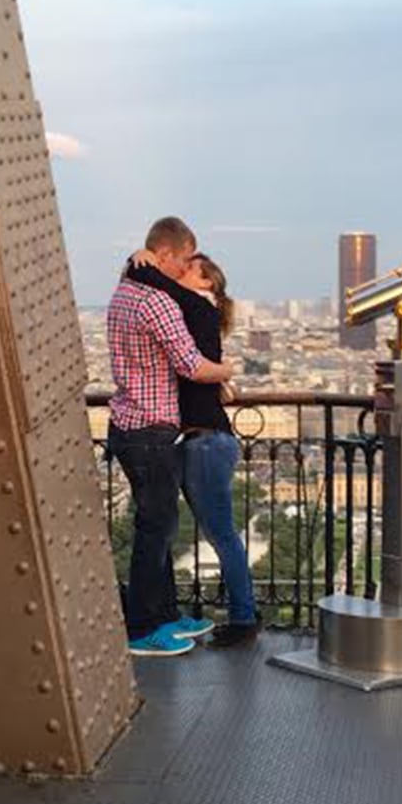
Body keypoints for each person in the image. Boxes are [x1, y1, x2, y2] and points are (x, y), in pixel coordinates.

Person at [107, 216, 234, 657]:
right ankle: (143, 627)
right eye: (181, 260)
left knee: (157, 524)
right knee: (156, 528)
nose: (184, 268)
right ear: (164, 255)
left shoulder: (123, 292)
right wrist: (227, 372)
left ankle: (162, 615)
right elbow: (192, 365)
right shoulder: (158, 303)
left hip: (125, 424)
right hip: (153, 427)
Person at [126, 250, 260, 646]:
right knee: (213, 531)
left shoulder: (198, 308)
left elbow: (159, 285)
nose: (181, 274)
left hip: (205, 442)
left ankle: (243, 619)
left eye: (190, 270)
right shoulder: (196, 317)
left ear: (207, 285)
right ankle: (243, 613)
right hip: (201, 440)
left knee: (220, 533)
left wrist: (143, 262)